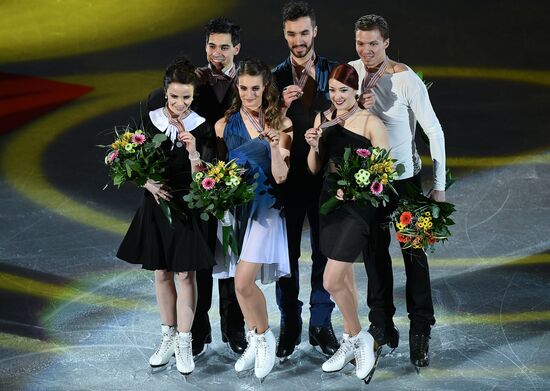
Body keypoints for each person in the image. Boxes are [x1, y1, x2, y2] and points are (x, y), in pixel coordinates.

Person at [349, 14, 446, 369]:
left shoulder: (406, 80)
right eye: (361, 43)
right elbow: (337, 115)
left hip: (405, 182)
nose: (367, 50)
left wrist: (438, 186)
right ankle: (381, 325)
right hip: (370, 182)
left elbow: (434, 131)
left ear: (386, 43)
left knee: (414, 257)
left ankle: (420, 328)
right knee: (374, 255)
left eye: (373, 43)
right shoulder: (351, 73)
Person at [147, 17, 246, 357]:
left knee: (232, 256)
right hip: (199, 183)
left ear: (236, 48)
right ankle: (197, 331)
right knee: (200, 258)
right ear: (205, 47)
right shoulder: (193, 83)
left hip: (237, 179)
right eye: (211, 46)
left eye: (224, 46)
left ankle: (235, 328)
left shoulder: (246, 83)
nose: (217, 53)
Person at [117, 57, 216, 376]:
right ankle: (167, 336)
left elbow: (205, 177)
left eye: (186, 97)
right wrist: (147, 182)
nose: (179, 103)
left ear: (193, 95)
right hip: (156, 204)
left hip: (187, 205)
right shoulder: (151, 118)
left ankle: (185, 342)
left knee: (186, 274)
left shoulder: (201, 125)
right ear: (165, 93)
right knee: (161, 272)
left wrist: (193, 152)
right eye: (174, 97)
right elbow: (130, 159)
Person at [305, 63, 387, 382]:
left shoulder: (370, 122)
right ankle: (352, 340)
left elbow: (384, 169)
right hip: (328, 204)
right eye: (333, 90)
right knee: (347, 281)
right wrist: (313, 147)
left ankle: (358, 337)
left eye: (344, 90)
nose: (338, 96)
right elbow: (315, 168)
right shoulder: (322, 120)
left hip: (359, 208)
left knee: (331, 281)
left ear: (356, 91)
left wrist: (356, 186)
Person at [214, 58, 292, 381]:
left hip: (266, 210)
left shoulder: (281, 124)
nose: (249, 94)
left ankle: (264, 338)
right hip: (237, 211)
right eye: (243, 88)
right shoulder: (224, 125)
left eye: (255, 88)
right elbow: (219, 171)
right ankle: (254, 337)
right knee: (238, 283)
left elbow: (281, 175)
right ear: (238, 87)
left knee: (244, 282)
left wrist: (275, 148)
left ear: (265, 88)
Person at [271, 1, 339, 360]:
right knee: (287, 256)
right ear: (285, 34)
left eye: (304, 32)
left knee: (324, 253)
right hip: (286, 181)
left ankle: (321, 322)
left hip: (324, 178)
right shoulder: (275, 77)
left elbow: (348, 115)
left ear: (315, 31)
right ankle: (290, 322)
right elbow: (261, 126)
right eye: (292, 34)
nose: (299, 40)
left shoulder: (334, 71)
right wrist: (279, 107)